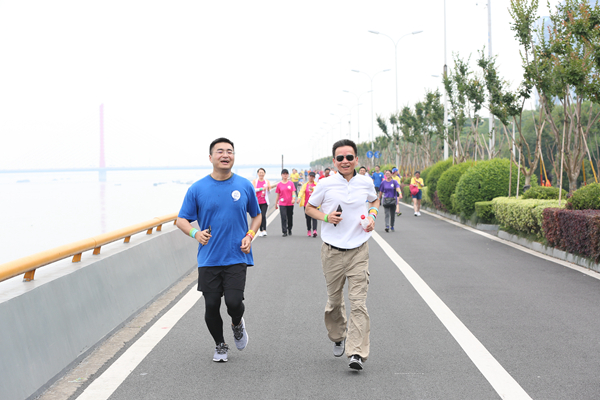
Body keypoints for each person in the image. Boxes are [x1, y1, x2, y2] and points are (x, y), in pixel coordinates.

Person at [176, 137, 261, 363]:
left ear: (234, 156)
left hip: (236, 255)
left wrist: (250, 235)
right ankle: (220, 344)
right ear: (211, 157)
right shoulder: (197, 188)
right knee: (212, 304)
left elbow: (257, 215)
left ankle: (237, 324)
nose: (225, 155)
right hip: (209, 258)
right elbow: (181, 220)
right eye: (220, 151)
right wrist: (195, 233)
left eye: (229, 151)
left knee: (234, 303)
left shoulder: (244, 185)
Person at [306, 139, 379, 371]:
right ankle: (338, 335)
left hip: (359, 250)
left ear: (356, 159)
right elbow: (309, 207)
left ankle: (356, 352)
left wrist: (372, 216)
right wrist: (326, 217)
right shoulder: (325, 183)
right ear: (334, 161)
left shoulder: (366, 181)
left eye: (349, 157)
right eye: (340, 158)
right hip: (332, 252)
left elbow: (374, 200)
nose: (345, 161)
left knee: (358, 303)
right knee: (335, 301)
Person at [276, 169, 297, 236]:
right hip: (282, 203)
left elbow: (293, 192)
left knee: (290, 217)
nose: (285, 175)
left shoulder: (291, 183)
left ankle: (289, 228)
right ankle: (284, 231)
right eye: (284, 174)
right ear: (281, 175)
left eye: (286, 174)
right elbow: (278, 194)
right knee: (283, 217)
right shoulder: (279, 184)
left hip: (290, 203)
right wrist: (276, 203)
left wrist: (293, 198)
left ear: (288, 175)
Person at [298, 171, 319, 237]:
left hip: (315, 204)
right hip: (307, 204)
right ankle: (309, 230)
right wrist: (299, 198)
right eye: (310, 176)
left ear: (314, 178)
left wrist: (313, 189)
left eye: (313, 176)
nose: (311, 177)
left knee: (315, 217)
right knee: (308, 218)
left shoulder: (317, 185)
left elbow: (319, 191)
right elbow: (301, 192)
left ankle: (315, 230)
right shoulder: (305, 185)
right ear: (308, 176)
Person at [252, 168, 271, 237]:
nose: (261, 174)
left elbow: (269, 192)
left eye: (262, 173)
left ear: (264, 174)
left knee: (263, 215)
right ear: (257, 173)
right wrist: (261, 189)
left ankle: (264, 230)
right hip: (257, 202)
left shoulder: (267, 181)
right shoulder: (255, 181)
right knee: (258, 216)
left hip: (264, 201)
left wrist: (268, 189)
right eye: (260, 173)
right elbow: (253, 190)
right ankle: (260, 230)